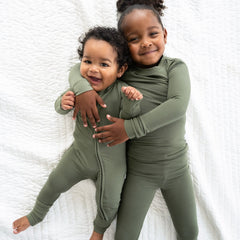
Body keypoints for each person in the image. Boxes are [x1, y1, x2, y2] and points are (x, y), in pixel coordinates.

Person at [67, 1, 199, 239]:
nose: (146, 42)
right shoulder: (122, 72)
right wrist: (82, 90)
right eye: (134, 38)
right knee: (125, 236)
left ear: (165, 35)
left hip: (177, 168)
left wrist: (130, 128)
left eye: (153, 34)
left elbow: (178, 105)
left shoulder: (174, 68)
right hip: (140, 172)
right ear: (124, 48)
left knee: (190, 232)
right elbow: (79, 68)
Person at [12, 26, 143, 240]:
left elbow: (129, 118)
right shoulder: (80, 90)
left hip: (113, 163)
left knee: (110, 201)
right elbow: (60, 105)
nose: (93, 69)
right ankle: (36, 214)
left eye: (104, 64)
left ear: (120, 70)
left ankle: (98, 231)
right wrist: (64, 103)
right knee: (54, 181)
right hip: (79, 156)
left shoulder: (121, 91)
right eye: (88, 61)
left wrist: (132, 100)